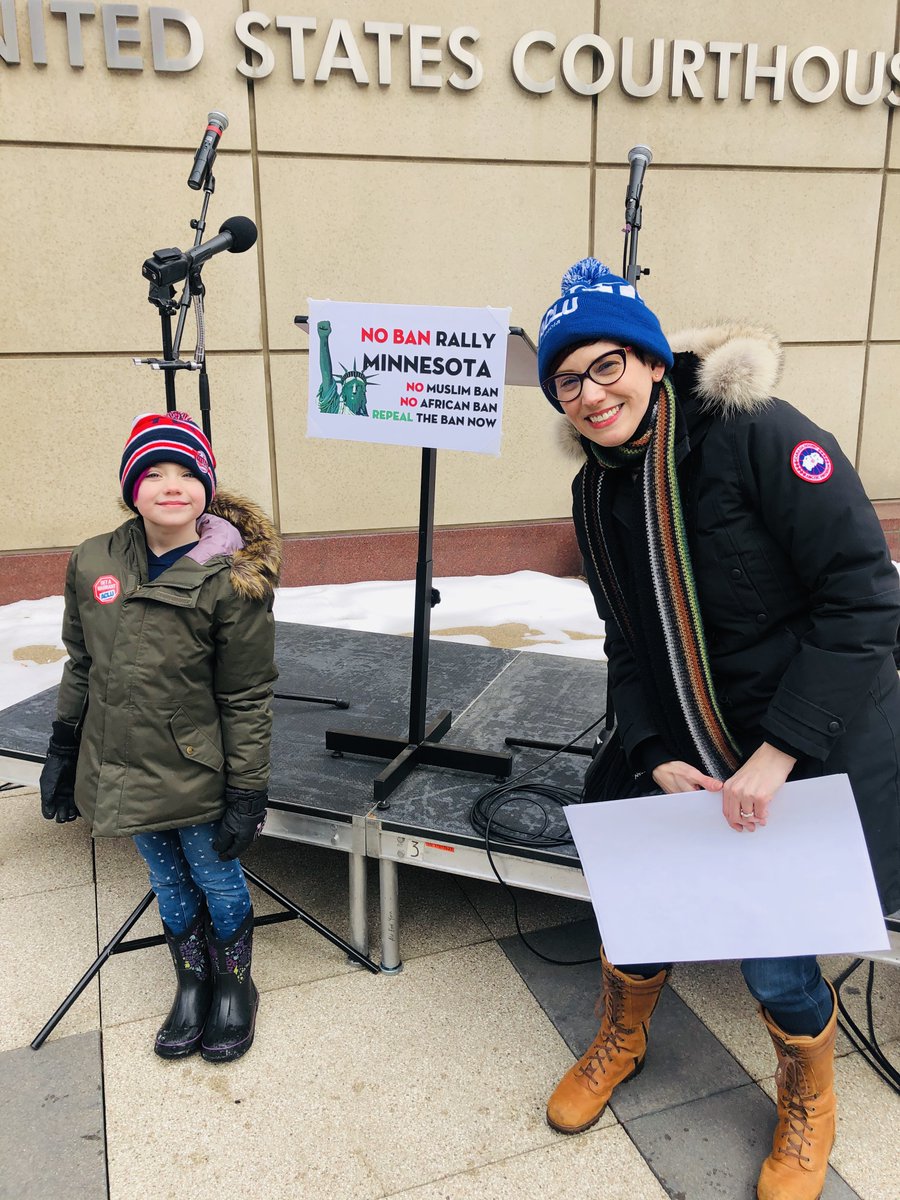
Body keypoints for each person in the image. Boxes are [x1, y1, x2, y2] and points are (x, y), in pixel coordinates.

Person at [536, 258, 900, 1200]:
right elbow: (627, 640)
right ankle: (623, 1037)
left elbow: (864, 598)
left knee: (775, 959)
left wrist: (780, 752)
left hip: (806, 746)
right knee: (635, 904)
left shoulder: (758, 433)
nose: (590, 394)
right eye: (567, 381)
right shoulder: (598, 491)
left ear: (653, 362)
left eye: (607, 365)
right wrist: (653, 751)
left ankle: (808, 1095)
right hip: (685, 751)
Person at [38, 411, 280, 1064]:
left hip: (196, 769)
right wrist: (63, 748)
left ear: (206, 487)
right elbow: (81, 663)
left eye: (185, 472)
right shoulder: (93, 560)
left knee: (216, 879)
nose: (170, 485)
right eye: (152, 472)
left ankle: (235, 985)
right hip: (120, 764)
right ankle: (193, 981)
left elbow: (246, 694)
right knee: (168, 883)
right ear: (130, 487)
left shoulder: (232, 576)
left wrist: (248, 789)